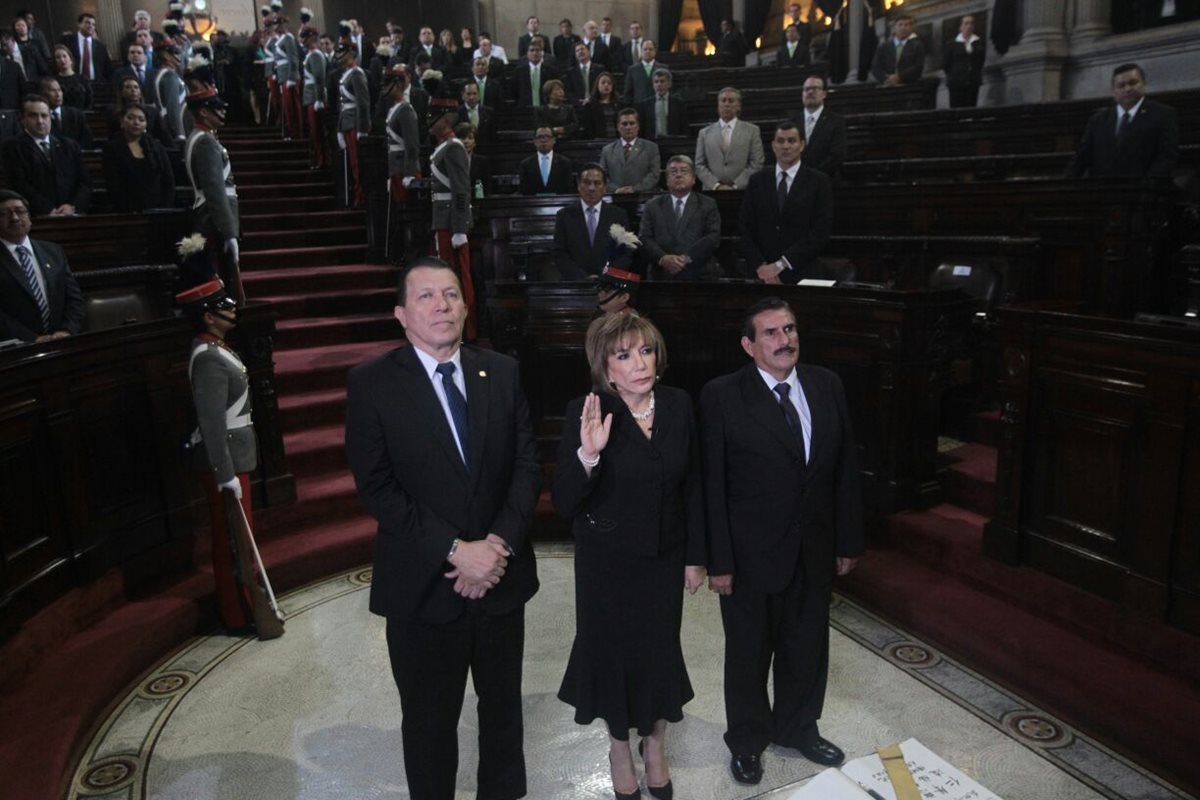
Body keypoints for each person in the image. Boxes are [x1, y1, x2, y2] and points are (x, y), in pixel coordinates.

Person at [345, 256, 540, 800]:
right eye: (427, 297)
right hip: (423, 588)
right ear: (401, 314)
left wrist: (494, 548)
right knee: (429, 722)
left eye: (451, 294)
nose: (443, 306)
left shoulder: (500, 371)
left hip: (500, 580)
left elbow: (525, 465)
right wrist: (456, 550)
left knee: (503, 712)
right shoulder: (372, 384)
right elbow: (378, 488)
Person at [700, 295, 864, 786]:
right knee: (749, 655)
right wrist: (718, 560)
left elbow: (844, 471)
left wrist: (848, 540)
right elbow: (712, 484)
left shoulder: (826, 385)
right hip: (749, 558)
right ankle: (748, 741)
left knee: (807, 647)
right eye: (770, 333)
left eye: (789, 329)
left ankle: (798, 728)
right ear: (748, 345)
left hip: (812, 549)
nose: (784, 340)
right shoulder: (722, 395)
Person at [554, 312, 706, 800]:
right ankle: (619, 747)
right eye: (623, 355)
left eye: (645, 351)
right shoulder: (589, 409)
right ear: (605, 366)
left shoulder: (681, 405)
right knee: (613, 656)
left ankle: (654, 744)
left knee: (660, 653)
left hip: (664, 557)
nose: (639, 363)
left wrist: (695, 556)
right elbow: (563, 502)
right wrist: (589, 456)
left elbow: (694, 488)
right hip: (607, 564)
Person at [175, 269, 264, 635]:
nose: (233, 310)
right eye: (224, 307)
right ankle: (237, 612)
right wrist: (224, 474)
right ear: (208, 316)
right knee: (231, 540)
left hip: (236, 455)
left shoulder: (218, 348)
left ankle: (247, 603)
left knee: (240, 537)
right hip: (225, 460)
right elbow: (211, 423)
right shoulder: (209, 357)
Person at [739, 121, 832, 283]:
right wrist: (762, 267)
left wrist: (782, 264)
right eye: (780, 141)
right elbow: (745, 227)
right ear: (773, 146)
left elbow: (820, 232)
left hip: (802, 270)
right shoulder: (757, 181)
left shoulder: (818, 181)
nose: (786, 146)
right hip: (761, 274)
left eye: (791, 141)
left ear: (802, 145)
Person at [1065, 63, 1179, 179]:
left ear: (1144, 84)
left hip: (1145, 189)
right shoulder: (1099, 120)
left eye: (1133, 83)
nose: (1128, 89)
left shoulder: (1162, 114)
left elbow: (1167, 156)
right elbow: (1082, 156)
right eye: (1121, 85)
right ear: (1113, 91)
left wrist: (1148, 186)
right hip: (1103, 189)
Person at [0, 189, 84, 343]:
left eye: (20, 211)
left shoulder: (53, 251)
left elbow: (74, 298)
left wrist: (66, 330)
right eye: (4, 214)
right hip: (18, 349)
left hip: (61, 342)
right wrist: (33, 339)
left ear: (29, 217)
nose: (15, 218)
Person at [184, 85, 242, 301]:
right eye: (217, 108)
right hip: (212, 219)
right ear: (203, 112)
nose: (223, 111)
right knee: (220, 281)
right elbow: (215, 191)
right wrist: (229, 231)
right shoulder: (206, 142)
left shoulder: (203, 136)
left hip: (209, 216)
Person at [0, 95, 92, 217]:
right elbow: (19, 185)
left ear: (50, 117)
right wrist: (48, 209)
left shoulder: (70, 146)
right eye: (33, 116)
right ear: (22, 119)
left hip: (71, 214)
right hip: (36, 216)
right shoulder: (11, 147)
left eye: (44, 115)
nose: (40, 121)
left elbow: (84, 182)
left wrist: (73, 206)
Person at [429, 113, 478, 339]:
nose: (431, 125)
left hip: (451, 221)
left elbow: (461, 191)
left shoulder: (453, 147)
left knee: (457, 277)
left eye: (435, 120)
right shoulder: (445, 146)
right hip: (444, 219)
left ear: (446, 121)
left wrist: (459, 228)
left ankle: (466, 329)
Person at [639, 155, 721, 281]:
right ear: (667, 180)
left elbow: (713, 237)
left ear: (693, 179)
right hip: (661, 274)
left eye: (684, 171)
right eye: (673, 172)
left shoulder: (708, 204)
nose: (678, 175)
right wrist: (663, 258)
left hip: (698, 274)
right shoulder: (652, 205)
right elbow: (644, 238)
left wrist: (685, 259)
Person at [552, 163, 632, 280]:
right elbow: (559, 254)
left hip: (609, 284)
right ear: (579, 186)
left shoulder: (618, 215)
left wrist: (605, 277)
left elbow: (626, 252)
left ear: (605, 188)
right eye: (586, 183)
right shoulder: (564, 215)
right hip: (575, 285)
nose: (592, 188)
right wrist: (582, 278)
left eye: (597, 183)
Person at [102, 103, 176, 212]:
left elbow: (168, 181)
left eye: (141, 120)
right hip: (125, 212)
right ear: (122, 122)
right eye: (131, 118)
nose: (136, 123)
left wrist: (164, 208)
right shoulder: (112, 148)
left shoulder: (157, 148)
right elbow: (112, 184)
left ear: (146, 124)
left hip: (157, 211)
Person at [694, 88, 764, 191]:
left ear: (739, 106)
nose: (726, 104)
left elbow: (757, 163)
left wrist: (736, 186)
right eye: (723, 100)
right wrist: (716, 186)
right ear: (718, 105)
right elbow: (699, 165)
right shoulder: (704, 133)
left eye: (731, 101)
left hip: (743, 191)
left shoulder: (752, 131)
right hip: (711, 191)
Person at [334, 41, 369, 208]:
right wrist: (340, 128)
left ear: (352, 54)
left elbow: (363, 103)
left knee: (357, 163)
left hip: (355, 123)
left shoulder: (356, 74)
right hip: (347, 123)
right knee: (353, 162)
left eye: (344, 54)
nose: (341, 57)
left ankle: (360, 196)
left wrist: (362, 129)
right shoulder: (347, 73)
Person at [380, 65, 420, 203]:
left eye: (387, 84)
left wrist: (410, 173)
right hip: (396, 168)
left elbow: (412, 144)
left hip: (404, 169)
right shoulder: (394, 108)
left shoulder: (405, 110)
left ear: (397, 85)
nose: (384, 88)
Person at [794, 75, 846, 177]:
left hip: (825, 180)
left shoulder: (836, 121)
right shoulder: (793, 122)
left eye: (815, 89)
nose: (810, 92)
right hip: (797, 181)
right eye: (807, 89)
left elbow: (837, 154)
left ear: (824, 94)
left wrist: (813, 175)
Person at [599, 109, 661, 194]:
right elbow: (602, 176)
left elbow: (654, 175)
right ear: (618, 127)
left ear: (638, 126)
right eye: (624, 124)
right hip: (615, 198)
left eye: (632, 123)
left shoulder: (651, 148)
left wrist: (635, 189)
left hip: (643, 198)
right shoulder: (607, 150)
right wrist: (616, 190)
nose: (628, 127)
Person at [109, 75, 172, 147]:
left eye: (136, 87)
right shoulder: (114, 112)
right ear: (121, 93)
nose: (133, 90)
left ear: (140, 93)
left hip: (150, 147)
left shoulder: (153, 111)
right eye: (128, 87)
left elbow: (164, 135)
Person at [870, 13, 925, 86]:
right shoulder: (884, 47)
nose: (903, 28)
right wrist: (886, 78)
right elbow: (875, 67)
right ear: (895, 27)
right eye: (900, 24)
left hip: (910, 86)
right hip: (887, 85)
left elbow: (918, 67)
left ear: (912, 28)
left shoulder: (917, 46)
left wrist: (899, 77)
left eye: (907, 25)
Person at [943, 14, 985, 108]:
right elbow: (946, 63)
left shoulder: (978, 42)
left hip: (973, 81)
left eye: (971, 23)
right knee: (956, 109)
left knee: (971, 107)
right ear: (960, 27)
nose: (969, 26)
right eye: (966, 23)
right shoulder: (952, 44)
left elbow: (980, 60)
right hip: (956, 82)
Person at [518, 127, 575, 195]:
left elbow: (568, 190)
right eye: (540, 137)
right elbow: (524, 191)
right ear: (535, 141)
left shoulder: (565, 162)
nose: (543, 140)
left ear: (554, 140)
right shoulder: (525, 164)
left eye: (547, 136)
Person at [301, 29, 328, 169]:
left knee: (317, 131)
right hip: (310, 96)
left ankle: (322, 159)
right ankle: (319, 158)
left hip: (314, 97)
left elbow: (318, 78)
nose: (304, 41)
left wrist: (319, 99)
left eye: (306, 38)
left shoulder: (316, 55)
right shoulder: (311, 55)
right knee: (313, 131)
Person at [272, 15, 303, 140]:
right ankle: (291, 131)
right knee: (287, 107)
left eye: (278, 24)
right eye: (275, 25)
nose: (276, 27)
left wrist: (291, 78)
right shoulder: (280, 39)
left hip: (290, 78)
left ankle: (297, 133)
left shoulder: (288, 38)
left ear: (284, 24)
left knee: (293, 107)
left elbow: (293, 59)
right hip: (283, 77)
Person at [40, 77, 93, 148]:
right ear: (43, 94)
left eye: (59, 90)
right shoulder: (39, 117)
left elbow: (86, 141)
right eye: (52, 90)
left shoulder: (76, 115)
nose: (58, 94)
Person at [637, 69, 689, 139]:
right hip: (651, 143)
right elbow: (642, 129)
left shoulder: (679, 104)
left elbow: (684, 127)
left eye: (662, 81)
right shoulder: (645, 105)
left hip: (673, 142)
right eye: (656, 82)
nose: (659, 84)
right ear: (653, 85)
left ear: (669, 83)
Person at [60, 13, 111, 82]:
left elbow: (107, 68)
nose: (91, 26)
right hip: (73, 82)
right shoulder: (67, 40)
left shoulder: (101, 46)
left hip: (96, 83)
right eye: (87, 23)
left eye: (93, 24)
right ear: (79, 24)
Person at [154, 45, 188, 144]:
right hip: (171, 125)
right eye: (176, 53)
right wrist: (179, 133)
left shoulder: (165, 73)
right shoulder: (170, 76)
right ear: (166, 56)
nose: (180, 56)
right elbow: (173, 106)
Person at [514, 38, 559, 108]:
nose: (535, 53)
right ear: (527, 54)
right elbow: (515, 92)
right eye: (531, 50)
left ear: (542, 53)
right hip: (525, 109)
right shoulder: (519, 71)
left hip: (546, 109)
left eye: (538, 50)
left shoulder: (551, 71)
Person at [581, 71, 621, 138]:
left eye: (609, 83)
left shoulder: (618, 104)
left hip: (616, 140)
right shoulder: (590, 105)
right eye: (603, 83)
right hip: (598, 141)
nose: (606, 85)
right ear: (597, 85)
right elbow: (588, 128)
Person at [51, 45, 92, 110]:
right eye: (58, 57)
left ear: (71, 59)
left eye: (64, 56)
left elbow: (89, 101)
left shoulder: (83, 79)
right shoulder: (53, 81)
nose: (62, 60)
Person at [459, 122, 492, 197]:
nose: (466, 141)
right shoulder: (450, 161)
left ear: (475, 142)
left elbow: (486, 188)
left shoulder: (483, 162)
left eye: (470, 138)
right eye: (463, 138)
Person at [13, 16, 49, 83]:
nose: (21, 27)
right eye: (18, 25)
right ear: (14, 28)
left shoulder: (36, 43)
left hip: (37, 77)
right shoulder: (14, 45)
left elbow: (43, 59)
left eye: (23, 25)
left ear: (27, 27)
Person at [623, 39, 659, 104]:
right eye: (645, 49)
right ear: (641, 51)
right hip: (638, 107)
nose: (648, 51)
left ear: (655, 51)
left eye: (650, 49)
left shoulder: (663, 68)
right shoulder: (632, 70)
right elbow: (628, 93)